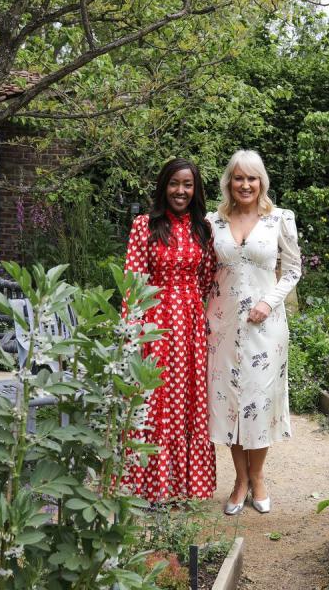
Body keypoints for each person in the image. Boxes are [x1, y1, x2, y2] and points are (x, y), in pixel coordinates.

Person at [206, 149, 302, 515]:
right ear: (229, 181)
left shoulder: (280, 219)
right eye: (239, 177)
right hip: (223, 327)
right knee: (231, 402)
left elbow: (293, 270)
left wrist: (269, 301)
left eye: (252, 178)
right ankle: (239, 480)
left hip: (266, 328)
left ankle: (258, 477)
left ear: (262, 181)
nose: (245, 184)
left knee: (259, 402)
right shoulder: (212, 221)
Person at [124, 157, 217, 503]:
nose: (181, 191)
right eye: (175, 184)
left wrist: (193, 312)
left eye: (188, 185)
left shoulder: (203, 228)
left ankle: (185, 487)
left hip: (191, 327)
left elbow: (206, 278)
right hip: (155, 323)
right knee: (156, 400)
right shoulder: (144, 226)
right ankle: (151, 486)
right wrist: (133, 332)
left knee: (189, 401)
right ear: (164, 186)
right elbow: (133, 282)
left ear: (196, 190)